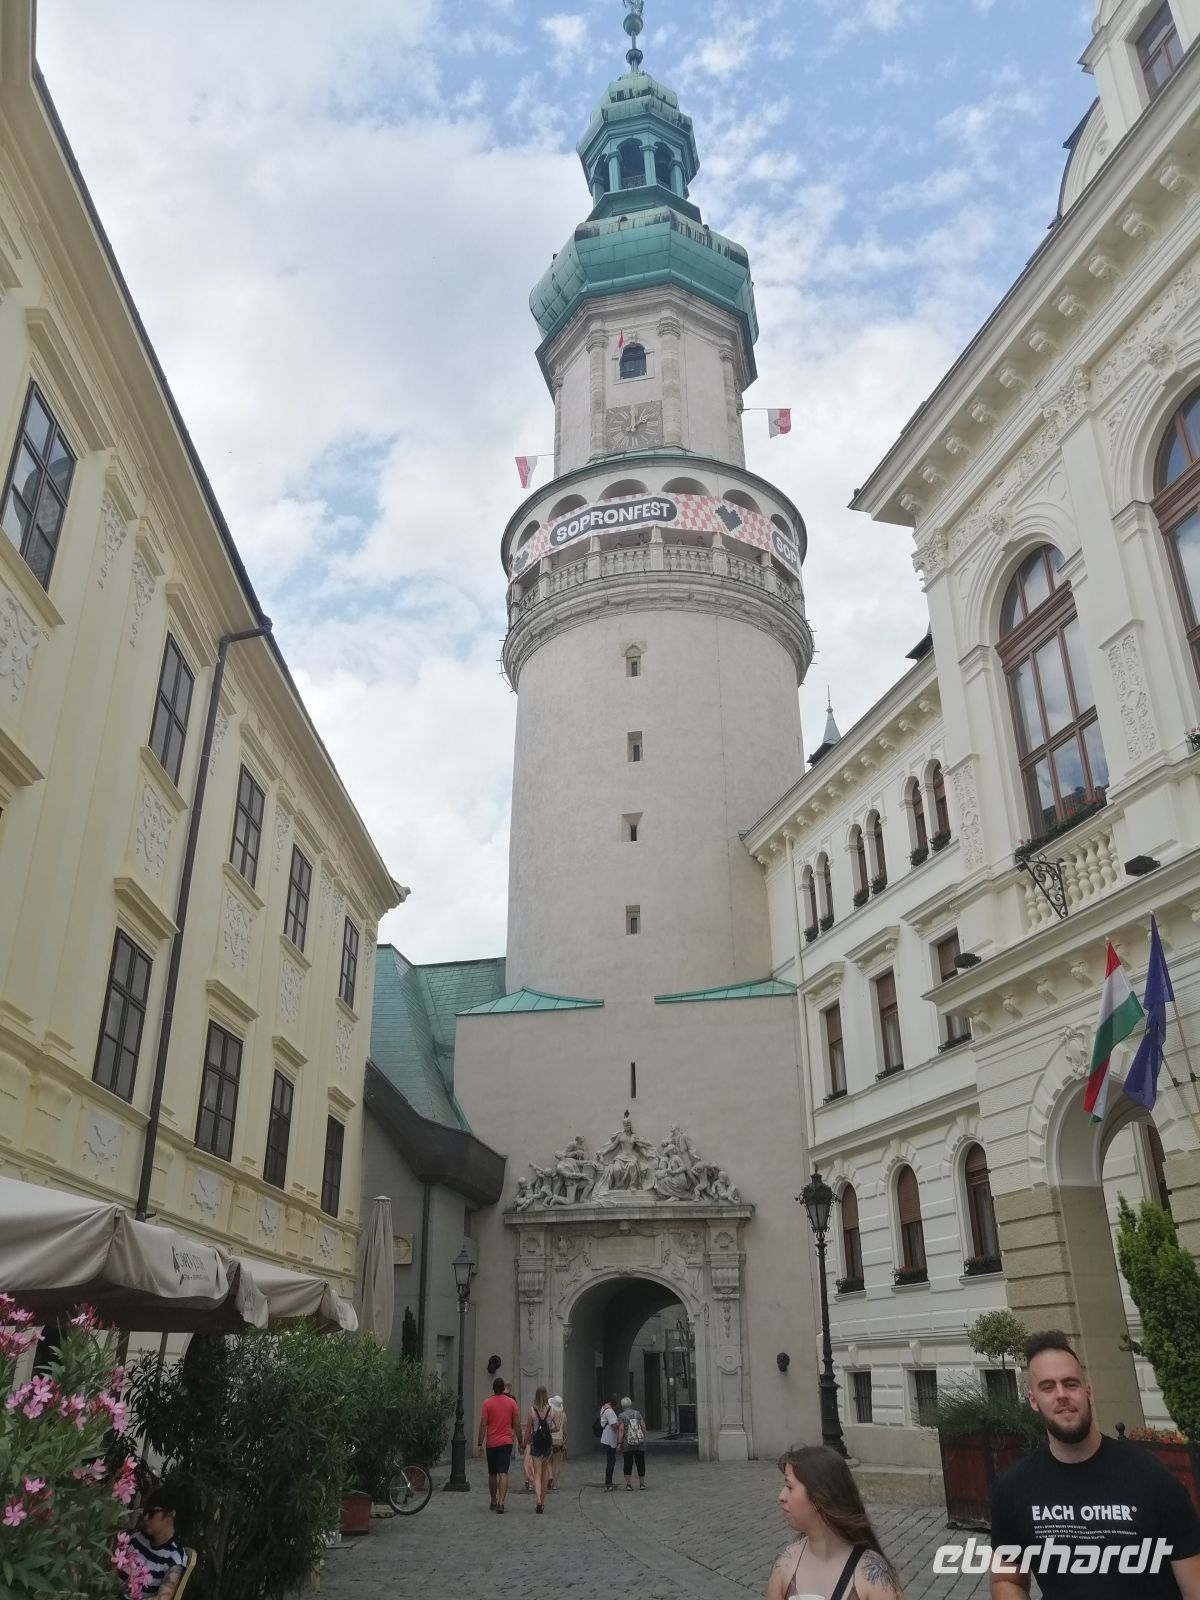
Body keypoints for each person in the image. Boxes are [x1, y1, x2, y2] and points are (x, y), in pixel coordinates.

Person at [989, 1329, 1200, 1599]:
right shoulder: (1013, 1489)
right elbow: (1006, 1580)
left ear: (1088, 1392)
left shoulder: (1152, 1478)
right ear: (1033, 1400)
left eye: (1071, 1383)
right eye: (1048, 1387)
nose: (1062, 1394)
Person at [766, 1444, 901, 1600]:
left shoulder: (872, 1576)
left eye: (789, 1486)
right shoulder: (785, 1565)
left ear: (818, 1497)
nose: (781, 1496)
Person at [127, 1485, 188, 1598]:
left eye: (151, 1513)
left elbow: (163, 1597)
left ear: (171, 1515)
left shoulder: (175, 1558)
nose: (145, 1518)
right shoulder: (136, 1539)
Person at [476, 1375, 521, 1513]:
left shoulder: (487, 1403)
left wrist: (479, 1443)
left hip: (492, 1443)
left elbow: (483, 1424)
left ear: (493, 1389)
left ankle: (494, 1500)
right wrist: (521, 1442)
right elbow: (517, 1424)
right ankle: (502, 1502)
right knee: (504, 1472)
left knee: (492, 1473)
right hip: (506, 1441)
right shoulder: (511, 1403)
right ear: (503, 1389)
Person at [525, 1385, 555, 1513]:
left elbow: (527, 1430)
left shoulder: (532, 1410)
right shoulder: (551, 1410)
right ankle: (542, 1502)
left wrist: (523, 1443)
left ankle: (537, 1499)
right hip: (547, 1444)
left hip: (536, 1443)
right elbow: (556, 1427)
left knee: (536, 1473)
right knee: (544, 1474)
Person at [618, 1394, 648, 1489]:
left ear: (622, 1405)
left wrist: (619, 1443)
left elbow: (621, 1430)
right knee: (640, 1463)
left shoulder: (622, 1416)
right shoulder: (637, 1413)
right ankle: (642, 1484)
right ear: (630, 1404)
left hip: (627, 1443)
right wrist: (643, 1436)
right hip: (639, 1443)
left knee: (628, 1463)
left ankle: (628, 1485)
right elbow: (643, 1426)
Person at [599, 1395, 622, 1492]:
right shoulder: (610, 1411)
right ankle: (609, 1483)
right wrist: (620, 1423)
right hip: (609, 1439)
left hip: (605, 1438)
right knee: (611, 1461)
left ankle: (608, 1482)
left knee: (610, 1461)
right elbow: (614, 1425)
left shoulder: (603, 1408)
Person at [548, 1394, 566, 1490]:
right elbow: (565, 1430)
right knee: (557, 1463)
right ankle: (554, 1485)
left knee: (548, 1460)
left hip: (550, 1439)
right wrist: (564, 1438)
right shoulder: (563, 1415)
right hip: (559, 1441)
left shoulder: (550, 1413)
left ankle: (550, 1475)